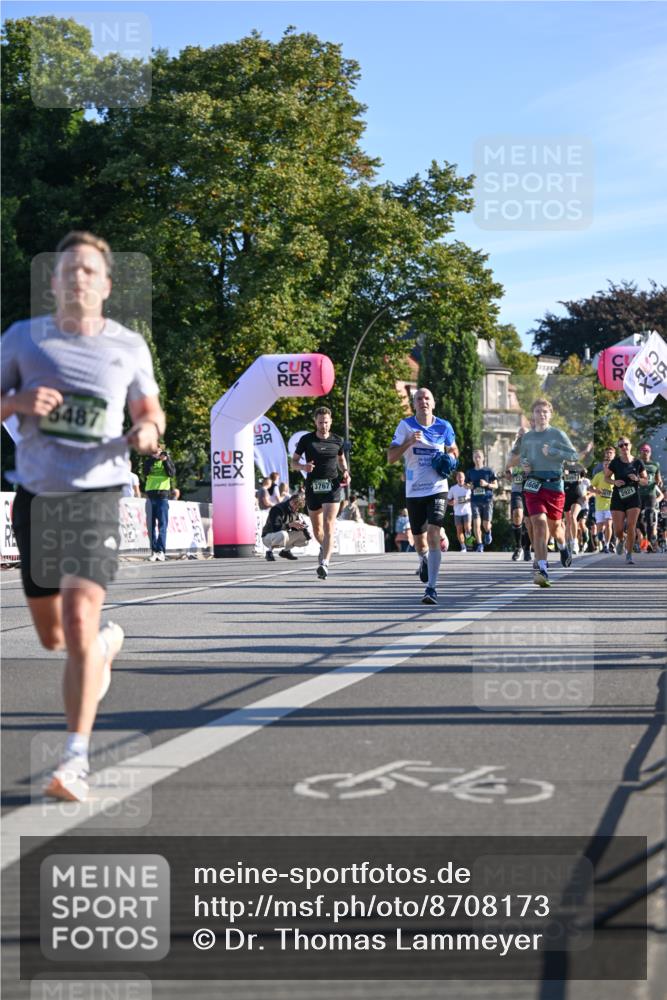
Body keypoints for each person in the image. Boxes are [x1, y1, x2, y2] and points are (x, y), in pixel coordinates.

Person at [1, 230, 164, 801]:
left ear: (106, 285)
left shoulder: (127, 345)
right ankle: (102, 648)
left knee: (76, 616)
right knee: (54, 638)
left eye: (89, 271)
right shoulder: (23, 340)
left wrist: (146, 429)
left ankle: (73, 761)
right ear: (53, 281)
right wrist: (17, 403)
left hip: (97, 495)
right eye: (68, 269)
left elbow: (149, 408)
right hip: (36, 497)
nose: (78, 278)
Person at [387, 387, 458, 605]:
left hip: (437, 487)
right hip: (414, 490)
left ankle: (432, 588)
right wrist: (409, 442)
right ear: (414, 403)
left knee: (434, 533)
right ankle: (424, 560)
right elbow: (390, 457)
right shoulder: (405, 426)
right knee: (419, 542)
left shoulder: (444, 425)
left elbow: (454, 449)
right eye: (419, 398)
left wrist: (451, 460)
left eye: (427, 398)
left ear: (433, 403)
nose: (423, 401)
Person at [510, 398, 578, 588]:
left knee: (556, 528)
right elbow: (523, 458)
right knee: (538, 524)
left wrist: (555, 452)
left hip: (554, 487)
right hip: (533, 486)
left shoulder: (558, 434)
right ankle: (542, 568)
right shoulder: (528, 437)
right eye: (538, 411)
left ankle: (563, 547)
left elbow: (574, 456)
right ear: (533, 415)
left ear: (550, 414)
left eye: (545, 411)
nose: (541, 414)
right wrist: (524, 465)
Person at [292, 406, 350, 579]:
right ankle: (324, 547)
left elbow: (341, 458)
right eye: (320, 423)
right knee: (317, 530)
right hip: (313, 487)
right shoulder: (306, 440)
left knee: (328, 523)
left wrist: (345, 471)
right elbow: (293, 462)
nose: (323, 426)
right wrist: (303, 467)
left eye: (326, 422)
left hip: (332, 486)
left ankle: (324, 563)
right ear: (315, 422)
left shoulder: (337, 440)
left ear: (330, 422)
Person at [606, 439, 647, 564]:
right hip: (618, 497)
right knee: (618, 529)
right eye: (621, 445)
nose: (624, 447)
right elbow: (606, 477)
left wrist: (637, 478)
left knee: (631, 526)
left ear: (630, 445)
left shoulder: (638, 462)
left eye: (626, 444)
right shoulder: (615, 462)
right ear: (619, 448)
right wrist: (615, 482)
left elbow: (645, 480)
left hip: (633, 498)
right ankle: (621, 539)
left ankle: (629, 554)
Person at [144, 442, 176, 561]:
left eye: (158, 451)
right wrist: (154, 459)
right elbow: (146, 472)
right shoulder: (148, 461)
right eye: (154, 452)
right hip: (151, 495)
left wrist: (165, 460)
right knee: (151, 526)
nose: (156, 454)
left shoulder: (167, 460)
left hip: (163, 495)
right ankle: (154, 551)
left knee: (162, 525)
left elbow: (171, 474)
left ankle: (161, 550)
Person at [262, 492, 310, 561]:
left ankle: (285, 551)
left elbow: (293, 528)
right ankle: (269, 552)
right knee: (283, 534)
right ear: (293, 503)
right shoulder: (277, 509)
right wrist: (291, 525)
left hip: (282, 535)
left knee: (304, 538)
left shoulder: (294, 512)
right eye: (297, 507)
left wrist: (301, 527)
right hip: (268, 536)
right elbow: (276, 527)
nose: (297, 510)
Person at [466, 450, 497, 551]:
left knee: (486, 524)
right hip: (475, 500)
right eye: (475, 457)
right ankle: (479, 544)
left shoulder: (489, 471)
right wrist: (469, 486)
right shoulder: (470, 472)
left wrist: (487, 484)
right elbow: (466, 484)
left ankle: (488, 532)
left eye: (479, 457)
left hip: (487, 500)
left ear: (483, 458)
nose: (477, 459)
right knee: (476, 523)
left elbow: (496, 485)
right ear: (473, 459)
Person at [637, 443, 663, 553]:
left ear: (650, 452)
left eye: (647, 450)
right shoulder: (636, 464)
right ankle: (645, 535)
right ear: (640, 452)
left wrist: (659, 482)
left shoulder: (655, 464)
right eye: (643, 450)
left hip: (650, 493)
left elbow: (658, 478)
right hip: (639, 494)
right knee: (637, 519)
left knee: (650, 513)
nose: (645, 452)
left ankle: (651, 536)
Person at [590, 461, 614, 552]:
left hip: (610, 505)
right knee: (599, 529)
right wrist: (596, 491)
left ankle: (607, 545)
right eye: (605, 465)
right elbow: (590, 487)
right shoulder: (598, 476)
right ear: (603, 466)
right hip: (599, 506)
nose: (607, 466)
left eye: (609, 465)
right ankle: (602, 539)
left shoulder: (614, 475)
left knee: (608, 524)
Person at [447, 470, 472, 552]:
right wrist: (451, 502)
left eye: (462, 477)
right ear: (456, 478)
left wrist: (458, 501)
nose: (460, 478)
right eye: (459, 477)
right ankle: (463, 547)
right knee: (459, 530)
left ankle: (469, 544)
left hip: (467, 511)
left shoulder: (468, 487)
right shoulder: (453, 488)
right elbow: (448, 500)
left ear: (464, 478)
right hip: (457, 512)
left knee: (467, 528)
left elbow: (470, 499)